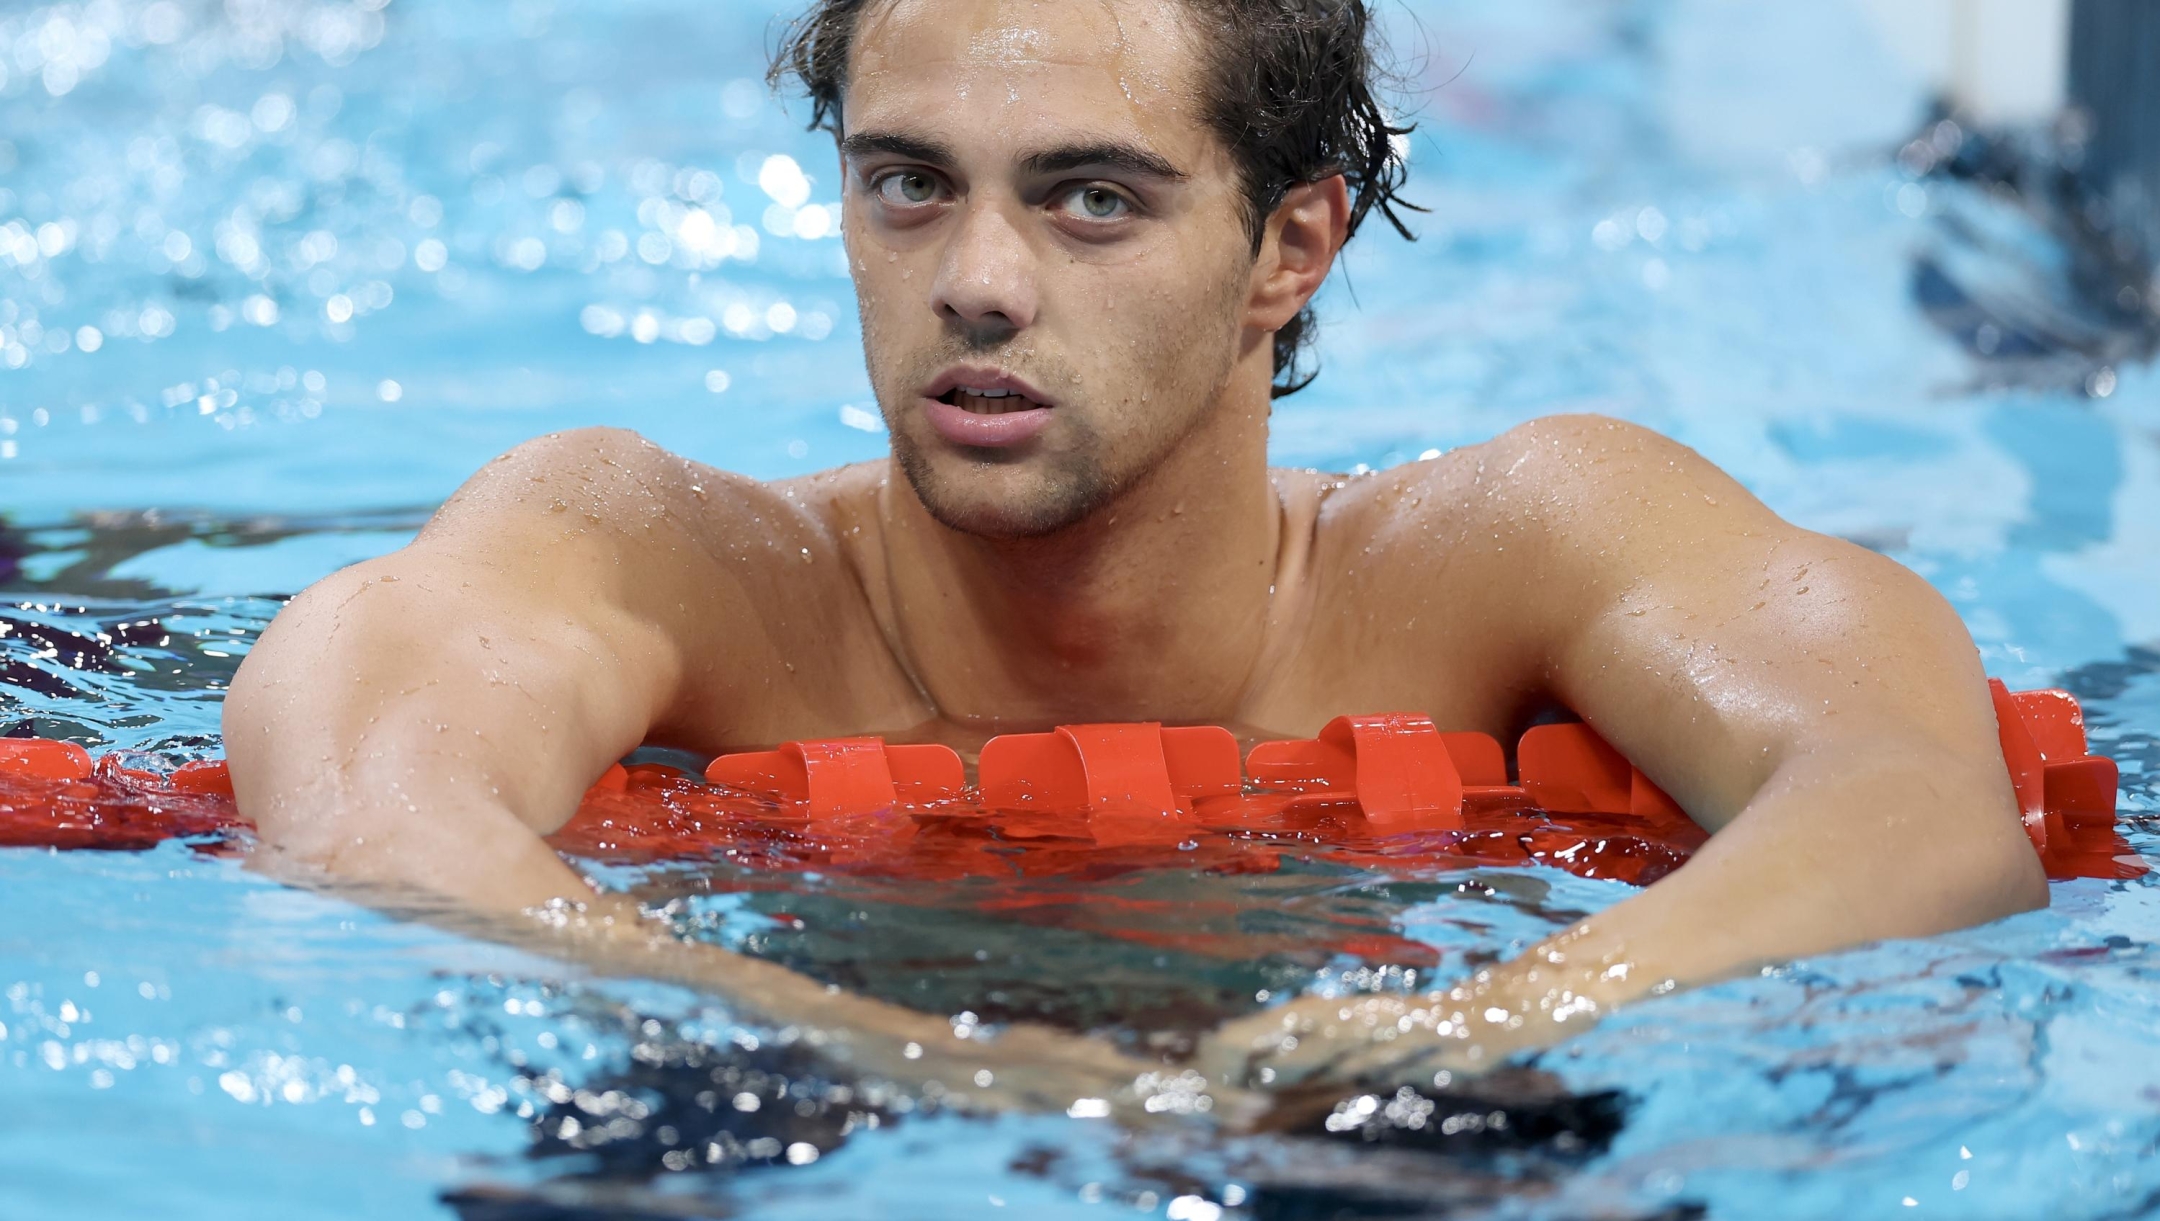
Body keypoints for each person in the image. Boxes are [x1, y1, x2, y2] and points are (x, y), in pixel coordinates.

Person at [225, 0, 2046, 1116]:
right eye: (908, 182)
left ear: (1290, 247)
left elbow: (1916, 805)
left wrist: (1464, 1030)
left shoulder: (1515, 547)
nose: (978, 280)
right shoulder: (659, 553)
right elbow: (363, 805)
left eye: (1093, 196)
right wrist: (912, 1055)